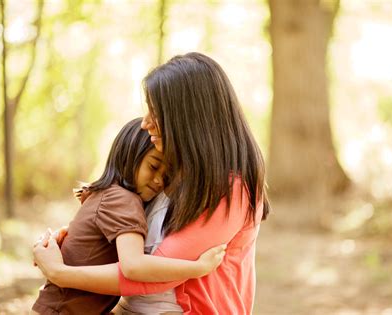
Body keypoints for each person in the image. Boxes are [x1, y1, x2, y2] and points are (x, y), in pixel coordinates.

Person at [33, 52, 270, 314]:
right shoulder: (168, 176)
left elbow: (148, 272)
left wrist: (60, 272)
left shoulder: (232, 189)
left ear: (187, 119)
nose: (145, 123)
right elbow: (127, 234)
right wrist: (72, 240)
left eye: (155, 113)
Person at [32, 117, 225, 315]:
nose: (159, 180)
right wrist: (198, 268)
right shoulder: (124, 200)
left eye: (166, 176)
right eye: (153, 166)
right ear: (129, 154)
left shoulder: (106, 193)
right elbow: (134, 266)